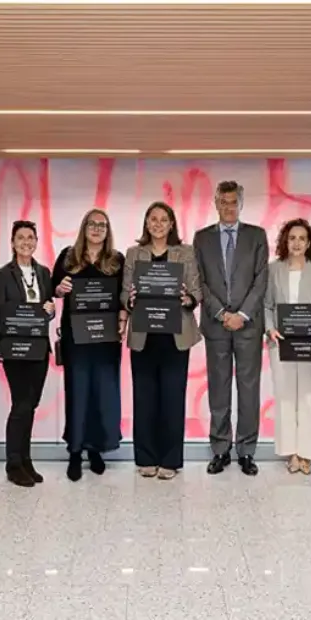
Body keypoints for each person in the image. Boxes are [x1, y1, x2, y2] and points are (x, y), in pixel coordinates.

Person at [193, 181, 269, 476]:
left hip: (248, 326)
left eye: (233, 201)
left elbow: (261, 279)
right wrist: (223, 313)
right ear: (215, 203)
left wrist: (243, 314)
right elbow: (200, 281)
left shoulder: (257, 236)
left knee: (249, 390)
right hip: (216, 324)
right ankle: (220, 449)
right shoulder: (201, 239)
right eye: (223, 201)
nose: (228, 206)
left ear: (241, 203)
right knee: (219, 389)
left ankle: (247, 451)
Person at [122, 202, 202, 480]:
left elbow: (196, 291)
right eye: (152, 219)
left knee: (172, 398)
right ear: (146, 223)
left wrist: (187, 299)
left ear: (171, 224)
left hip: (175, 337)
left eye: (163, 219)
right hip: (144, 335)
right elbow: (124, 294)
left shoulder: (186, 253)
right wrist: (129, 300)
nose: (157, 224)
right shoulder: (134, 254)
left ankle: (170, 460)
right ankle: (145, 457)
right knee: (144, 399)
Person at [52, 208, 127, 481]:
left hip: (107, 339)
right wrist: (60, 289)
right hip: (77, 338)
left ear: (108, 231)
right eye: (92, 224)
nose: (97, 229)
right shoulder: (68, 256)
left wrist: (124, 314)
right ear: (84, 228)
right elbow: (52, 288)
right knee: (78, 392)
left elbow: (125, 296)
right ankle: (75, 450)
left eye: (102, 225)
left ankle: (96, 449)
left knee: (102, 394)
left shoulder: (117, 260)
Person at [263, 218, 311, 475]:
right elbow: (267, 305)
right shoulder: (273, 269)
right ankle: (291, 453)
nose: (296, 243)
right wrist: (270, 329)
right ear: (285, 241)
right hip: (280, 343)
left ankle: (307, 453)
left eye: (302, 238)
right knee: (284, 398)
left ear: (309, 243)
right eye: (292, 238)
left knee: (309, 397)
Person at [0, 220, 55, 487]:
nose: (26, 242)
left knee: (31, 404)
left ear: (36, 241)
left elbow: (47, 311)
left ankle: (25, 460)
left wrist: (51, 311)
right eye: (21, 238)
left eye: (31, 237)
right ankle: (13, 464)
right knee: (21, 405)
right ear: (13, 242)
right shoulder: (2, 275)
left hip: (39, 347)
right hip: (14, 348)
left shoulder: (44, 273)